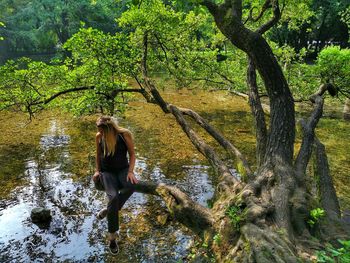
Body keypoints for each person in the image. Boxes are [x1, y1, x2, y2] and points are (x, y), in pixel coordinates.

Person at [92, 116, 138, 255]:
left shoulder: (124, 135)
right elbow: (98, 155)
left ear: (109, 128)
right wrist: (97, 171)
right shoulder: (99, 136)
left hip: (123, 170)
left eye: (102, 130)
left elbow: (132, 154)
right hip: (107, 173)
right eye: (98, 130)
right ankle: (112, 238)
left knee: (132, 186)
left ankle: (108, 210)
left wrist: (130, 171)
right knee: (112, 197)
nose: (100, 133)